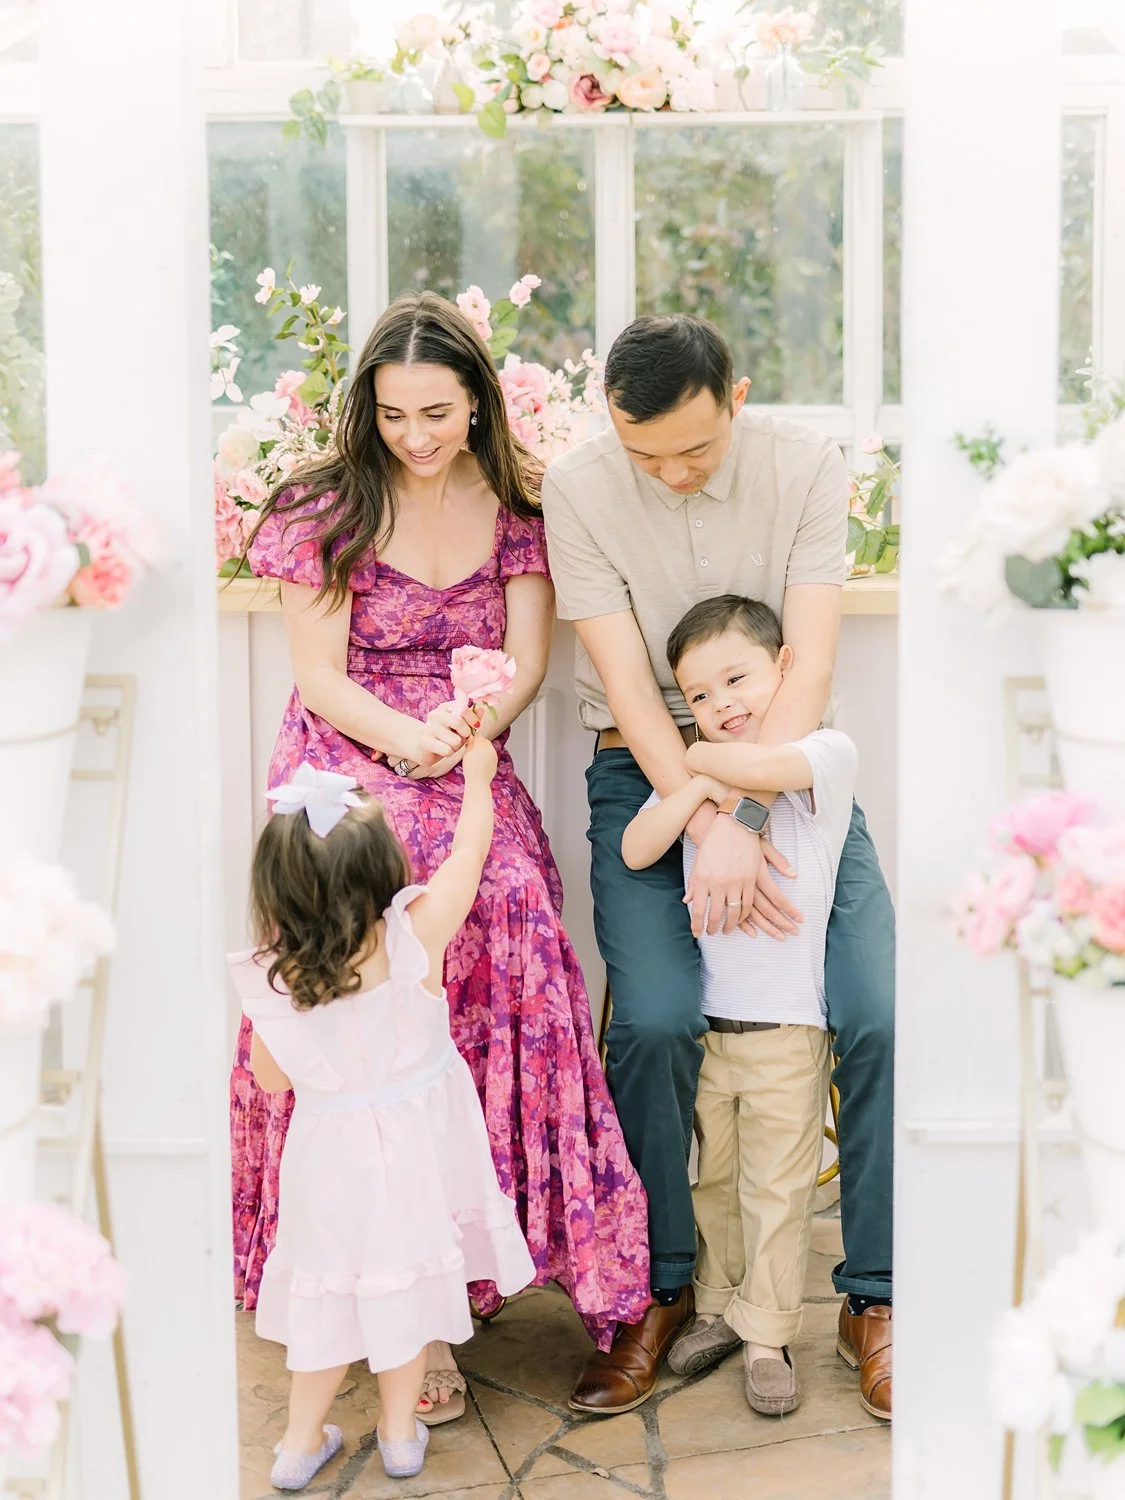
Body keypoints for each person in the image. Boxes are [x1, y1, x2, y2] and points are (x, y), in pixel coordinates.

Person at [230, 292, 650, 1425]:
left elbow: (521, 660)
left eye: (437, 412)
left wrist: (469, 731)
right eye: (394, 413)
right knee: (377, 918)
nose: (414, 435)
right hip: (344, 754)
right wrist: (399, 738)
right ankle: (393, 1303)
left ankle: (471, 1261)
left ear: (479, 405)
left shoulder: (518, 510)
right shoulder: (326, 509)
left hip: (463, 749)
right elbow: (318, 675)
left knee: (501, 898)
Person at [540, 315, 895, 1420]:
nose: (673, 475)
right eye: (647, 455)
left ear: (734, 399)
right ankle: (663, 1286)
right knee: (650, 1023)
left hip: (791, 777)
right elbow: (633, 690)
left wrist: (740, 802)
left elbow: (813, 656)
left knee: (879, 1010)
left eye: (694, 450)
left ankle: (873, 1297)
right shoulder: (581, 487)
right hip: (639, 774)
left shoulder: (803, 466)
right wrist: (701, 818)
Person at [230, 743, 536, 1490]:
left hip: (328, 1162)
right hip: (417, 1153)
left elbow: (271, 1079)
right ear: (381, 872)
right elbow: (470, 850)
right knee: (407, 1291)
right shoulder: (411, 939)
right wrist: (474, 781)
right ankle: (399, 1435)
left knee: (331, 1298)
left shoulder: (275, 980)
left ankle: (299, 1443)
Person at [623, 596, 855, 1417]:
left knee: (777, 1187)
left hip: (791, 1025)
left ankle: (768, 1334)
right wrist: (693, 785)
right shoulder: (702, 781)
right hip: (712, 1028)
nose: (721, 705)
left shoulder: (823, 755)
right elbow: (636, 846)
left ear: (784, 670)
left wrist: (697, 764)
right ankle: (720, 1308)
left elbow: (768, 767)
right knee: (714, 1180)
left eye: (737, 679)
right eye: (698, 696)